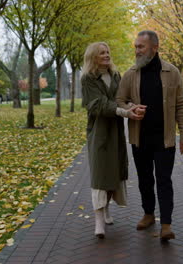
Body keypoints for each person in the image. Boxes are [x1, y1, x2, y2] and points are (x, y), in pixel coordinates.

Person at [116, 30, 183, 241]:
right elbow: (120, 100)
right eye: (136, 46)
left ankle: (166, 224)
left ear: (155, 48)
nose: (137, 50)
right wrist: (132, 108)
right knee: (145, 179)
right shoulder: (130, 73)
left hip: (164, 138)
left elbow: (181, 105)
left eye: (141, 46)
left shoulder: (172, 72)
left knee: (164, 179)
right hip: (140, 138)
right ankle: (148, 214)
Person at [81, 42, 145, 239]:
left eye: (108, 52)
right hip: (99, 132)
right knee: (100, 175)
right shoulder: (87, 79)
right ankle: (99, 221)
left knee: (114, 174)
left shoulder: (116, 75)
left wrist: (131, 106)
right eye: (102, 53)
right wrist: (123, 112)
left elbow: (120, 98)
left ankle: (107, 208)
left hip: (116, 132)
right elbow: (97, 105)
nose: (107, 55)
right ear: (93, 57)